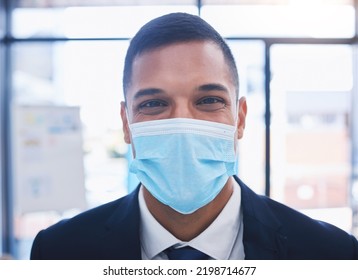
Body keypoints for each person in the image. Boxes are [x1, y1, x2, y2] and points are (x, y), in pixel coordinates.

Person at [30, 12, 358, 260]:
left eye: (208, 101)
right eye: (154, 103)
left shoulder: (331, 254)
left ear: (239, 119)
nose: (183, 123)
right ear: (127, 124)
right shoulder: (59, 252)